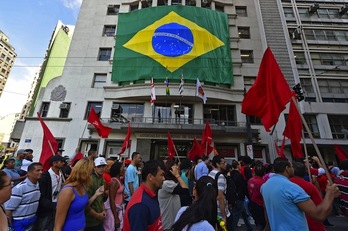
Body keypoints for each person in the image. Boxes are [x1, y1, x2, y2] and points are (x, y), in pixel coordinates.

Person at [261, 157, 341, 231]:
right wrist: (330, 194)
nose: (293, 169)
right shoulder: (291, 187)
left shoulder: (265, 186)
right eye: (291, 167)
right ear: (287, 169)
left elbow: (267, 210)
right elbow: (319, 215)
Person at [54, 158, 104, 231]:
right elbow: (58, 224)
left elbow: (84, 206)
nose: (92, 174)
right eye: (91, 171)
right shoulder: (68, 191)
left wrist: (96, 194)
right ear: (84, 172)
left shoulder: (83, 186)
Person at [123, 160, 165, 231]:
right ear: (150, 177)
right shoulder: (140, 205)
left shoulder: (151, 195)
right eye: (161, 175)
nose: (164, 179)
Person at [5, 162, 43, 231]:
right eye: (38, 170)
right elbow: (9, 209)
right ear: (29, 173)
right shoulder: (20, 188)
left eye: (41, 170)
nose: (41, 172)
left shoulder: (38, 185)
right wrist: (9, 226)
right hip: (19, 223)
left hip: (32, 220)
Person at [290, 161, 326, 231]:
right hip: (311, 222)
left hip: (293, 223)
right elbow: (320, 205)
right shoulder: (310, 186)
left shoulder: (285, 184)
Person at [33, 155, 66, 231]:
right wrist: (52, 205)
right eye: (61, 162)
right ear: (54, 163)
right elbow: (41, 195)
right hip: (46, 210)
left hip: (57, 207)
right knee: (43, 227)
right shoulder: (45, 177)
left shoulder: (61, 174)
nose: (63, 163)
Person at [158, 159, 190, 230]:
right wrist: (177, 176)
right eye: (176, 168)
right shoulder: (167, 184)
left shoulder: (172, 183)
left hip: (172, 224)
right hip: (168, 225)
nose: (179, 170)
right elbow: (185, 190)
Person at [208, 156, 232, 230]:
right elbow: (220, 196)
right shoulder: (220, 176)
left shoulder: (210, 173)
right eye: (223, 163)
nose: (226, 164)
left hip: (212, 208)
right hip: (220, 211)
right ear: (217, 164)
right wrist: (224, 216)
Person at [229, 160, 253, 231]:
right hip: (239, 198)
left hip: (235, 197)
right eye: (239, 165)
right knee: (236, 216)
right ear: (237, 166)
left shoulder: (230, 175)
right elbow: (243, 188)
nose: (240, 166)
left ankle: (249, 228)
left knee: (244, 214)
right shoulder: (239, 176)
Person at [85, 157, 107, 231]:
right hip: (89, 221)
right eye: (99, 167)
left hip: (98, 219)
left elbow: (101, 199)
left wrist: (103, 210)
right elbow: (86, 203)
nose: (101, 168)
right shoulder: (90, 180)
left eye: (103, 166)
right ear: (94, 168)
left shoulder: (102, 180)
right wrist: (97, 215)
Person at [105, 162, 126, 231]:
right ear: (118, 169)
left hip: (119, 208)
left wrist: (122, 196)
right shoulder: (114, 182)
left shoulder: (119, 180)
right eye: (122, 168)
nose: (124, 169)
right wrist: (116, 217)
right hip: (113, 210)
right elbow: (112, 200)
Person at [247, 162, 266, 230]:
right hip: (261, 205)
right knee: (263, 223)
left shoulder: (250, 180)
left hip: (253, 203)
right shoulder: (263, 182)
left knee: (258, 222)